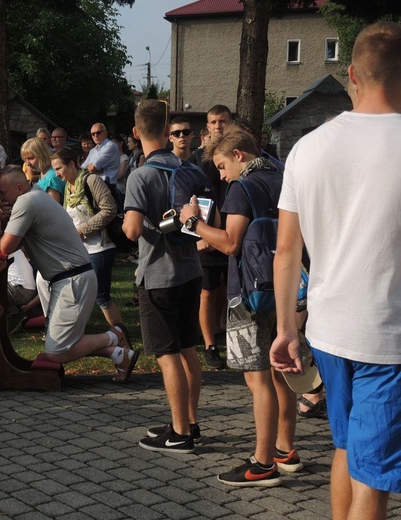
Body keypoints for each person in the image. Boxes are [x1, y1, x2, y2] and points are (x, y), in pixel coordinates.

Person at [270, 22, 401, 518]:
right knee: (374, 475)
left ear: (350, 75)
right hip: (386, 339)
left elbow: (286, 251)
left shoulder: (307, 148)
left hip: (328, 332)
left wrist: (286, 329)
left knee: (347, 451)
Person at [180, 125, 299, 486]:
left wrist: (193, 223)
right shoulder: (282, 176)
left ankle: (262, 464)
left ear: (238, 155)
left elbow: (231, 243)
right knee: (283, 373)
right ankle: (285, 449)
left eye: (220, 166)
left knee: (257, 376)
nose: (220, 175)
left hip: (249, 292)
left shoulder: (240, 187)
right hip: (287, 286)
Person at [0, 165, 138, 383]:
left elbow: (5, 247)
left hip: (72, 280)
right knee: (65, 343)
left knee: (55, 353)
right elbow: (17, 243)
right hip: (72, 279)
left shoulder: (26, 202)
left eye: (2, 193)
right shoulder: (35, 197)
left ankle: (114, 336)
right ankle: (119, 355)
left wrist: (2, 219)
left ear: (18, 187)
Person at [123, 99, 209, 454]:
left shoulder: (140, 175)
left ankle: (179, 435)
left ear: (136, 132)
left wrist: (144, 223)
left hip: (159, 275)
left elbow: (130, 230)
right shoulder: (191, 170)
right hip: (191, 269)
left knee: (167, 353)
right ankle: (189, 421)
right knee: (188, 348)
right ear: (166, 131)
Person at [52, 147, 125, 329]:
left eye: (59, 168)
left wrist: (81, 230)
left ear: (71, 164)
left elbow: (109, 210)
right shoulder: (69, 188)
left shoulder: (91, 180)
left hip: (100, 248)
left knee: (101, 297)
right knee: (79, 293)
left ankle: (123, 338)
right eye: (54, 169)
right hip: (81, 250)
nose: (57, 173)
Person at [190, 107, 232, 370]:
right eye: (213, 122)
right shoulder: (198, 159)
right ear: (207, 127)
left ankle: (227, 333)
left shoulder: (240, 154)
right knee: (208, 291)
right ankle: (209, 345)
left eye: (223, 121)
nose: (218, 126)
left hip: (236, 232)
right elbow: (191, 198)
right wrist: (198, 232)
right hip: (208, 235)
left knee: (230, 290)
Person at [20, 138, 65, 204]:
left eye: (30, 158)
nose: (27, 163)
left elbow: (52, 209)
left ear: (42, 155)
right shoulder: (44, 173)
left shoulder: (52, 177)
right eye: (25, 159)